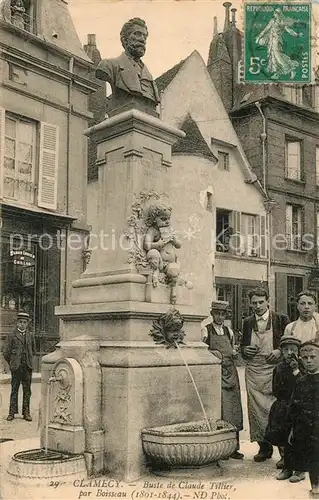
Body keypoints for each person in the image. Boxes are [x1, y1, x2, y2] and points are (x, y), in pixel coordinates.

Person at [241, 288, 290, 462]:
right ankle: (264, 448)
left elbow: (289, 344)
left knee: (277, 410)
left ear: (268, 301)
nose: (258, 306)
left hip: (275, 370)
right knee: (256, 411)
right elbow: (242, 348)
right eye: (254, 302)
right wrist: (245, 350)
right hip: (254, 371)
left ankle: (284, 452)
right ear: (250, 303)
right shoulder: (247, 322)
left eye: (261, 302)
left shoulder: (280, 319)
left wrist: (279, 350)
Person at [202, 300, 244, 459]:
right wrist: (212, 353)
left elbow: (233, 349)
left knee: (233, 409)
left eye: (223, 314)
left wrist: (234, 353)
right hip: (216, 374)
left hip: (231, 372)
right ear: (212, 314)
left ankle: (233, 447)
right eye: (217, 313)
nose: (220, 317)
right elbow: (202, 351)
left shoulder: (229, 331)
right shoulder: (205, 331)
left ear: (226, 315)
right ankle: (220, 448)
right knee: (220, 408)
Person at [96, 17, 160, 113]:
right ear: (124, 40)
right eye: (137, 34)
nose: (142, 39)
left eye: (145, 36)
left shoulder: (149, 77)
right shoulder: (109, 65)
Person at [264, 336, 305, 483]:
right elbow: (276, 388)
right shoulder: (279, 368)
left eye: (293, 350)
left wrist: (295, 369)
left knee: (298, 438)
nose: (289, 353)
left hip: (299, 405)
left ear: (298, 352)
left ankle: (300, 469)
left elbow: (303, 385)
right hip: (284, 405)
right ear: (281, 351)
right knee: (283, 436)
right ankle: (287, 467)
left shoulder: (302, 366)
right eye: (286, 350)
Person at [286, 341, 319, 496]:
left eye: (313, 357)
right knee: (313, 458)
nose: (309, 360)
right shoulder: (300, 381)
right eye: (305, 357)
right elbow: (294, 407)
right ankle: (316, 488)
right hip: (307, 429)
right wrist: (293, 429)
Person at [3, 311, 36, 421]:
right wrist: (12, 363)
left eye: (25, 322)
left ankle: (26, 413)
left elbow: (33, 351)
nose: (22, 324)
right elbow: (6, 352)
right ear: (17, 323)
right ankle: (12, 413)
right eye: (20, 322)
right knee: (14, 390)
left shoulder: (30, 335)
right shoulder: (11, 335)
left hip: (27, 366)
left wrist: (29, 361)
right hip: (16, 367)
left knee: (27, 391)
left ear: (27, 323)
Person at [255, 7, 302, 80]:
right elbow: (266, 29)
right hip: (271, 40)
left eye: (276, 13)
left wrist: (297, 35)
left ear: (280, 14)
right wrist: (259, 36)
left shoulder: (282, 22)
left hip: (277, 41)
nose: (275, 14)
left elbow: (289, 30)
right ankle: (277, 73)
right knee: (272, 56)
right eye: (275, 13)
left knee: (277, 56)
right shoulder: (272, 21)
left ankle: (291, 69)